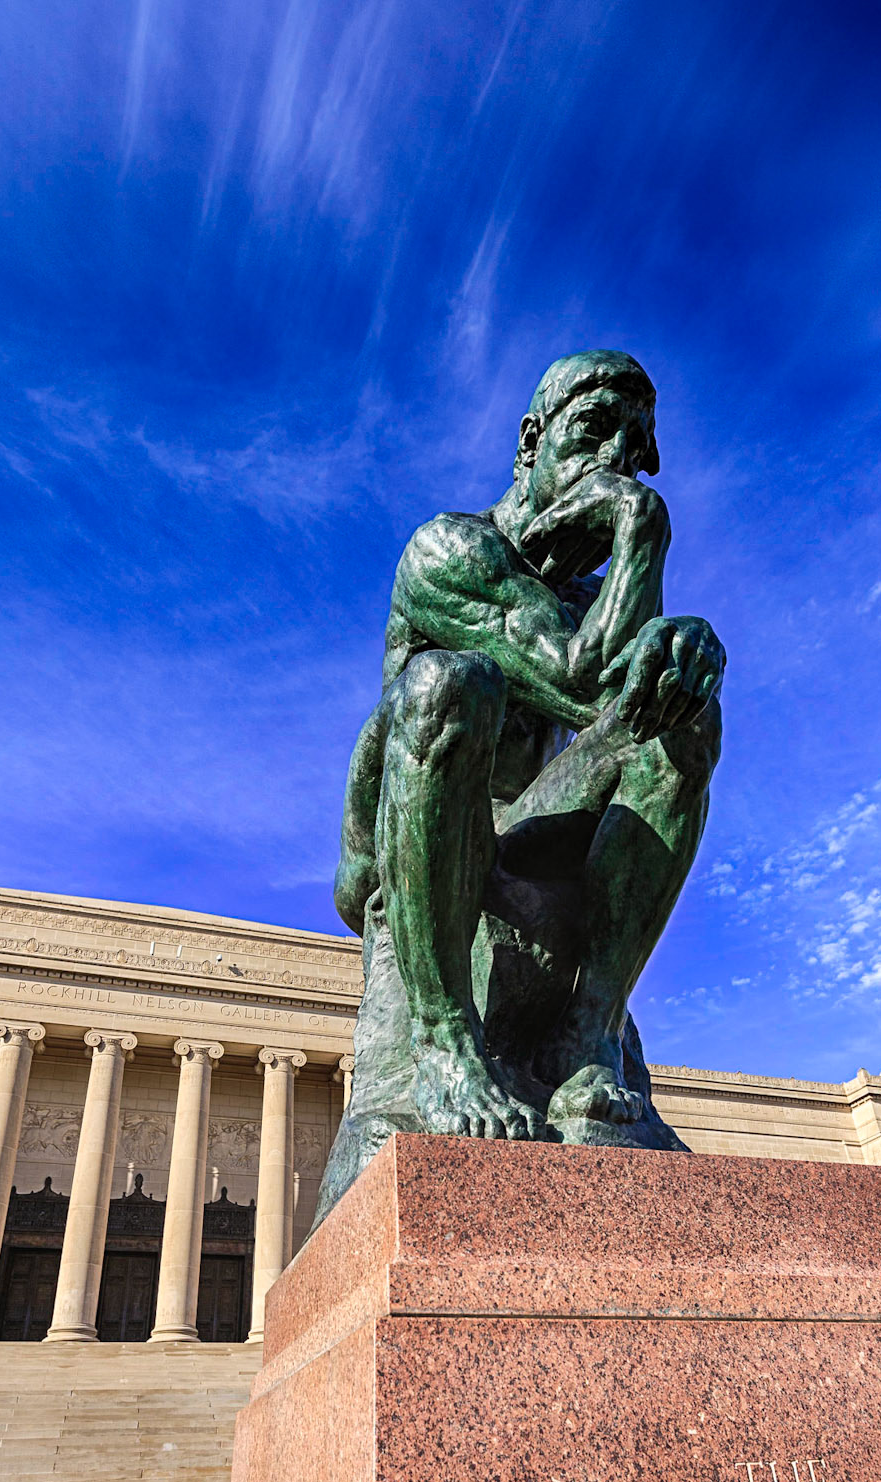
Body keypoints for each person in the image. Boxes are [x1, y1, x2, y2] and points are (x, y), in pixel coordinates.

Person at [318, 348, 725, 1214]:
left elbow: (623, 699)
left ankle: (587, 1038)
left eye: (636, 445)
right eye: (594, 430)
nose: (616, 458)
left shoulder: (590, 597)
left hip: (530, 835)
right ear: (531, 441)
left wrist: (687, 651)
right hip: (421, 842)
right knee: (451, 683)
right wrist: (642, 527)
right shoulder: (449, 550)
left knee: (683, 708)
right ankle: (442, 1041)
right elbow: (578, 679)